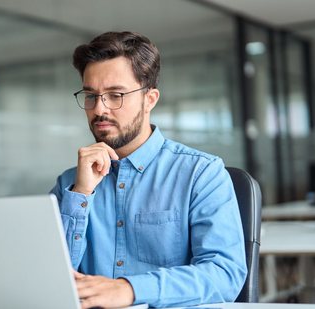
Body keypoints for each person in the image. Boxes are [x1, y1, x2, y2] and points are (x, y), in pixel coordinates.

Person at [50, 31, 247, 308]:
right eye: (91, 96)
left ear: (150, 99)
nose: (99, 109)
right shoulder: (70, 183)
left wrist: (129, 289)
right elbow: (51, 277)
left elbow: (224, 275)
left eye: (115, 94)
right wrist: (80, 194)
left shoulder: (201, 174)